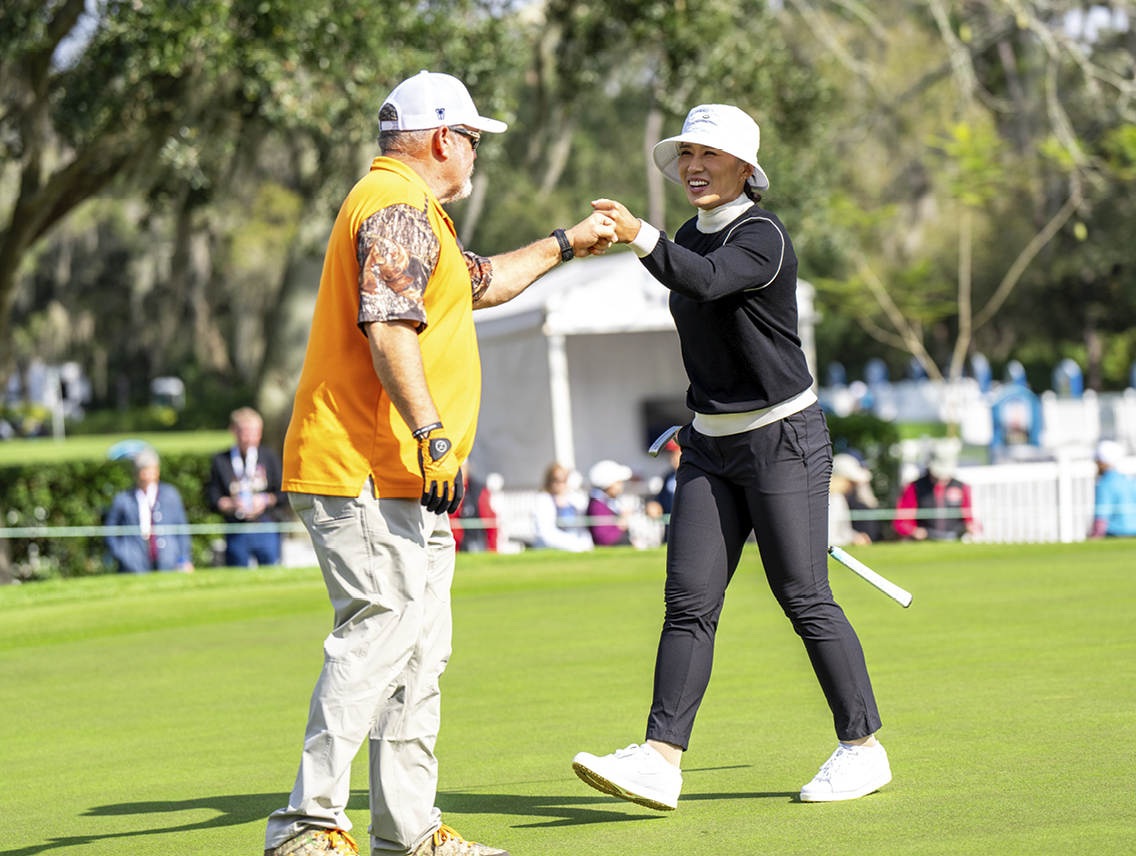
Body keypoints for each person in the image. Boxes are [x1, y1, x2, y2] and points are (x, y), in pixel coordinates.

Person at [264, 70, 614, 856]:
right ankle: (305, 826)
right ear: (444, 139)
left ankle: (409, 833)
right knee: (382, 629)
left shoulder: (416, 214)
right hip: (365, 464)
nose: (477, 153)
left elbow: (479, 284)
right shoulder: (394, 205)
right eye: (475, 140)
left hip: (403, 477)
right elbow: (390, 329)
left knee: (419, 652)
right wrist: (432, 433)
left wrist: (565, 243)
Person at [571, 104, 890, 810]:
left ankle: (863, 749)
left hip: (783, 440)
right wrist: (702, 417)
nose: (693, 166)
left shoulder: (762, 236)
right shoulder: (687, 236)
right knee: (688, 602)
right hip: (710, 446)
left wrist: (638, 233)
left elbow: (708, 280)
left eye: (708, 155)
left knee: (803, 597)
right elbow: (692, 280)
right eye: (686, 154)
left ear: (745, 168)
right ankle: (660, 760)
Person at [206, 406, 286, 567]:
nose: (251, 439)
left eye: (256, 433)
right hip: (237, 528)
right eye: (246, 433)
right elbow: (212, 497)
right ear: (234, 431)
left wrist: (264, 500)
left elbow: (283, 493)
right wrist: (231, 504)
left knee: (271, 572)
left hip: (266, 525)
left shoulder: (269, 456)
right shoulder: (221, 460)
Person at [105, 448, 194, 574]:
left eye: (153, 470)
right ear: (137, 473)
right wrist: (123, 554)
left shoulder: (170, 495)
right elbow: (110, 531)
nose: (149, 475)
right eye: (145, 470)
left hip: (168, 561)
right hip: (134, 563)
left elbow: (181, 528)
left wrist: (184, 558)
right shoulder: (123, 499)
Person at [894, 443, 976, 541]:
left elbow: (970, 519)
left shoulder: (961, 487)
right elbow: (901, 521)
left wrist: (970, 526)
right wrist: (913, 531)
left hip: (954, 540)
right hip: (923, 543)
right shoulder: (914, 487)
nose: (942, 479)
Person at [531, 463, 593, 552]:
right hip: (555, 548)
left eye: (564, 479)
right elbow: (547, 534)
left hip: (577, 545)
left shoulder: (575, 498)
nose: (560, 484)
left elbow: (584, 525)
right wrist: (576, 545)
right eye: (556, 480)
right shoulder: (544, 499)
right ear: (549, 481)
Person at [1089, 440, 1136, 538]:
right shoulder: (1130, 481)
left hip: (1115, 534)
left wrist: (1094, 537)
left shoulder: (1105, 484)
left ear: (1102, 462)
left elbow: (1101, 516)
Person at [828, 453, 874, 547]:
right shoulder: (834, 499)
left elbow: (843, 531)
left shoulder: (839, 498)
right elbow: (830, 538)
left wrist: (855, 537)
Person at [585, 459, 634, 547]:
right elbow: (604, 539)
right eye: (618, 482)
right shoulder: (597, 506)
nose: (621, 485)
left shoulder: (607, 503)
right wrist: (621, 523)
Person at [449, 466, 498, 553]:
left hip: (475, 544)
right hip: (454, 546)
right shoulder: (448, 489)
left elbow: (490, 522)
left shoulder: (478, 491)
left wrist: (493, 550)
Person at [645, 439, 681, 543]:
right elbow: (661, 498)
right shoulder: (668, 476)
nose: (673, 458)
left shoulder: (694, 476)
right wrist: (655, 504)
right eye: (670, 454)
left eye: (676, 453)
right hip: (670, 528)